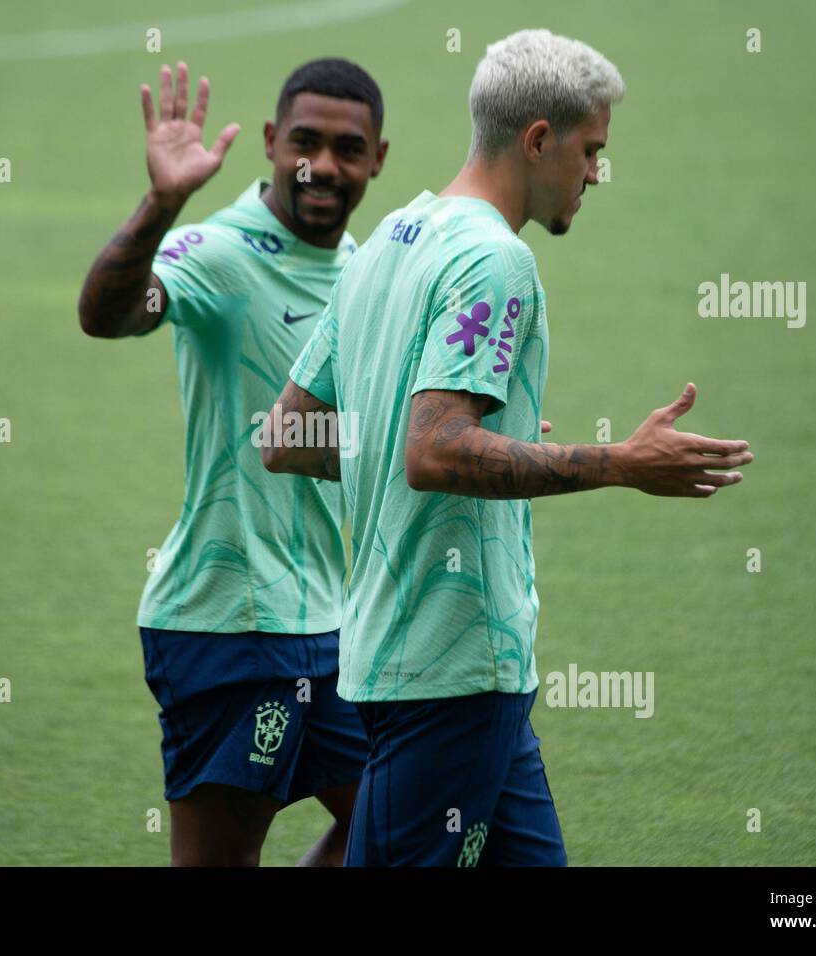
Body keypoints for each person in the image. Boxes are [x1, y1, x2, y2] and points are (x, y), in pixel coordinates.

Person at [264, 29, 754, 866]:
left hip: (438, 661)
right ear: (538, 139)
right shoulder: (497, 261)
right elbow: (437, 452)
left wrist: (476, 441)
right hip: (449, 666)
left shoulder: (390, 240)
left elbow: (288, 437)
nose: (597, 171)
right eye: (591, 150)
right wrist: (620, 464)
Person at [77, 58, 389, 866]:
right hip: (228, 624)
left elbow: (332, 439)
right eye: (304, 142)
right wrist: (162, 202)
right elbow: (106, 316)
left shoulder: (363, 272)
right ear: (269, 143)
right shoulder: (216, 254)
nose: (321, 165)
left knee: (392, 824)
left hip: (328, 622)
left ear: (378, 159)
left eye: (347, 148)